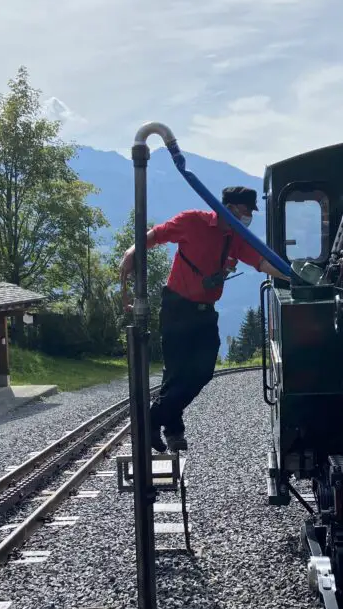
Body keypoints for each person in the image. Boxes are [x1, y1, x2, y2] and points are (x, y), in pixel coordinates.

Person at [119, 185, 290, 453]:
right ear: (230, 208)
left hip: (205, 311)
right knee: (177, 374)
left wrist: (292, 277)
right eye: (246, 211)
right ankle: (170, 429)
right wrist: (131, 253)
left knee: (202, 371)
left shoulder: (236, 237)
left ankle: (152, 421)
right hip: (177, 307)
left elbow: (260, 262)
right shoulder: (192, 221)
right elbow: (157, 235)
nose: (249, 218)